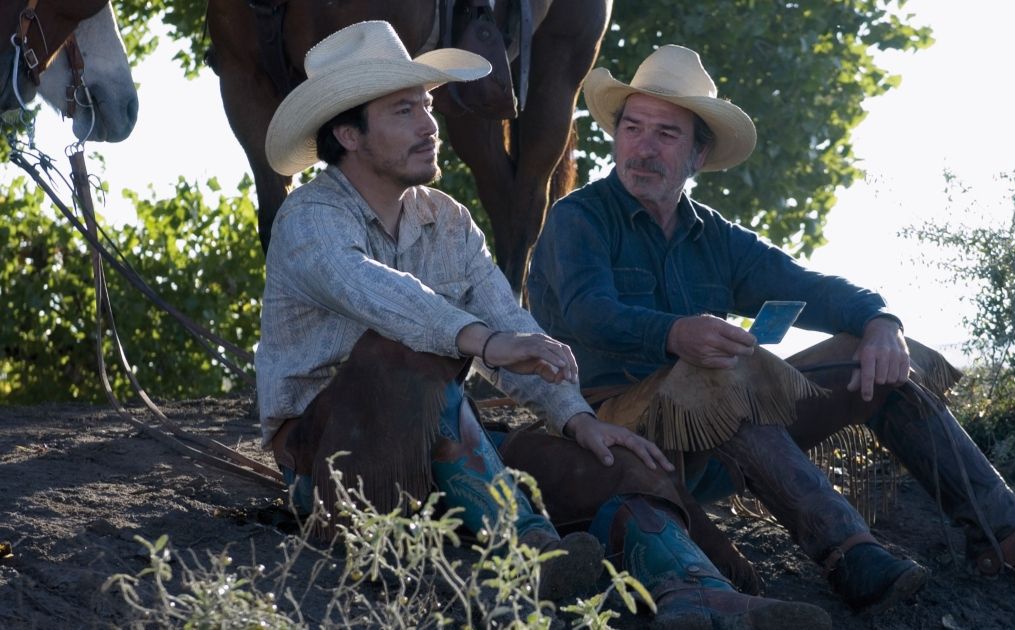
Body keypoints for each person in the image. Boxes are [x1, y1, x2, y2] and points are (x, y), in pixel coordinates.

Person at [255, 22, 831, 628]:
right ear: (349, 133)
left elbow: (509, 320)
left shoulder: (447, 220)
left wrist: (576, 417)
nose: (430, 126)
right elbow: (378, 294)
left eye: (427, 107)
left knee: (609, 464)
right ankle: (529, 546)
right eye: (405, 111)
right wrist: (482, 341)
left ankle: (698, 594)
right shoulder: (310, 217)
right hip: (332, 462)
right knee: (407, 354)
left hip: (449, 448)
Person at [527, 44, 1015, 613]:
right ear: (615, 133)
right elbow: (586, 312)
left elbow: (812, 288)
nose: (643, 149)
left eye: (666, 134)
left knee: (872, 358)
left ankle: (1009, 537)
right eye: (633, 128)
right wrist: (675, 333)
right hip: (613, 424)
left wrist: (882, 320)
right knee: (722, 375)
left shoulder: (717, 235)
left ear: (698, 156)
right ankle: (850, 556)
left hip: (717, 433)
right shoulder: (578, 217)